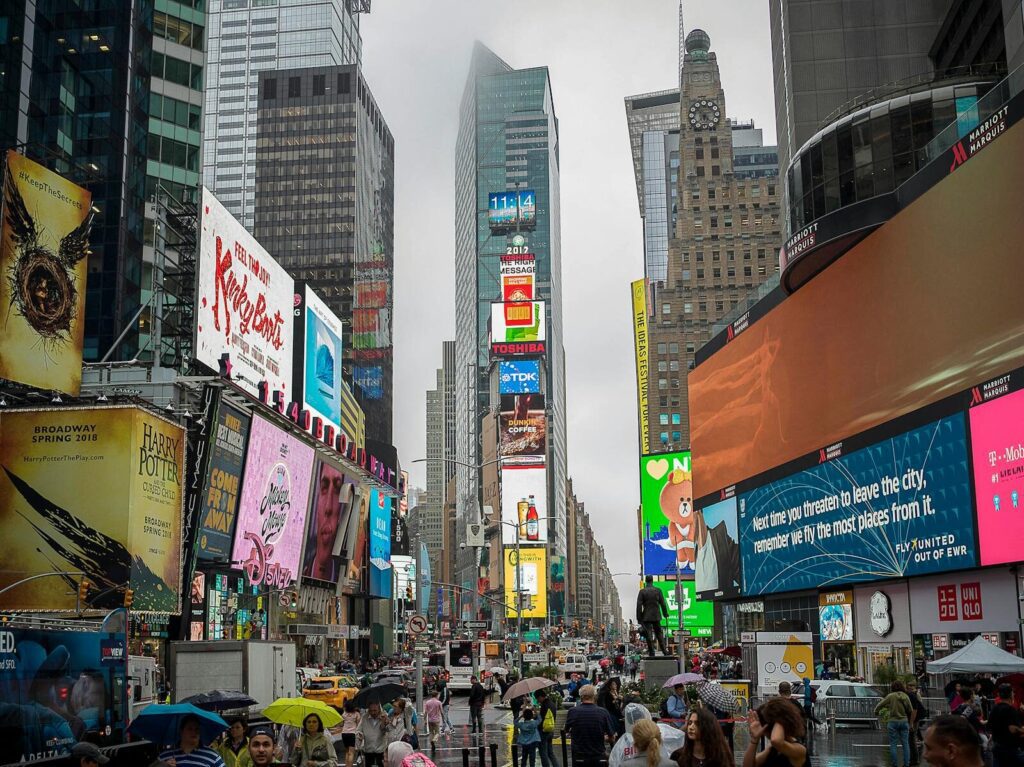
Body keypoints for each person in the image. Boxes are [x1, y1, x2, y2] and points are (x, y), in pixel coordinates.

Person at [742, 699, 806, 767]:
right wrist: (754, 739)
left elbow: (776, 741)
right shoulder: (772, 749)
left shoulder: (799, 750)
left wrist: (778, 716)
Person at [565, 685, 615, 767]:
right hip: (598, 757)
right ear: (594, 696)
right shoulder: (603, 712)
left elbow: (566, 730)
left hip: (579, 757)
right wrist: (605, 738)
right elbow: (612, 738)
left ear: (581, 697)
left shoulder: (572, 711)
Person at [160, 715, 228, 767]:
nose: (194, 732)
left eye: (197, 729)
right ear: (181, 731)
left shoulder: (212, 756)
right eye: (190, 729)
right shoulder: (165, 755)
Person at [875, 680, 914, 767]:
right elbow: (910, 710)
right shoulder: (905, 696)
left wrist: (876, 711)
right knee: (905, 744)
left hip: (893, 722)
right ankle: (906, 764)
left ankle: (894, 764)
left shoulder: (890, 696)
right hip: (904, 722)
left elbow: (880, 704)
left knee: (893, 744)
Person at [987, 683, 1024, 767]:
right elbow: (1013, 729)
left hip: (997, 748)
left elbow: (989, 726)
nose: (1014, 694)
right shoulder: (1010, 710)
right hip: (1010, 750)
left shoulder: (994, 708)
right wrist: (1021, 729)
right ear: (1011, 694)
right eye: (1013, 692)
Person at [635, 577, 669, 657]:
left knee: (648, 635)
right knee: (659, 634)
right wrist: (665, 613)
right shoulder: (658, 590)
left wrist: (639, 618)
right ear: (652, 581)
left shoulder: (642, 591)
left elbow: (639, 606)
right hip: (656, 615)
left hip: (646, 616)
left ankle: (652, 653)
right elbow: (663, 603)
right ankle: (664, 651)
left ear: (646, 581)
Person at [358, 702, 390, 767]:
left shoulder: (384, 716)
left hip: (380, 750)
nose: (373, 713)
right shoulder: (364, 717)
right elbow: (358, 730)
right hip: (368, 750)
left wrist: (384, 722)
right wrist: (360, 735)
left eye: (375, 710)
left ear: (379, 709)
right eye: (371, 710)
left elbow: (388, 730)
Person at [907, 681, 929, 766]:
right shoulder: (912, 694)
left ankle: (915, 759)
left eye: (911, 686)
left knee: (912, 738)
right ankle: (914, 758)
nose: (910, 687)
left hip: (916, 717)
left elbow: (916, 707)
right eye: (909, 686)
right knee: (913, 737)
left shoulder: (915, 694)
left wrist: (911, 722)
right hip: (916, 717)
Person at [535, 687, 558, 767]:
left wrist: (535, 715)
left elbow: (541, 720)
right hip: (551, 730)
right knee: (550, 753)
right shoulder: (551, 703)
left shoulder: (545, 705)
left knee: (543, 753)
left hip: (543, 732)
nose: (537, 701)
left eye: (537, 699)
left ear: (541, 696)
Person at [340, 700, 361, 767]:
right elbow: (359, 725)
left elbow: (341, 724)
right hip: (352, 734)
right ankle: (350, 766)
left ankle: (347, 765)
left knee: (346, 752)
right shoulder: (356, 714)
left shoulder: (344, 714)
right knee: (351, 753)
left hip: (344, 733)